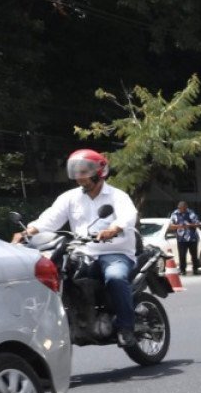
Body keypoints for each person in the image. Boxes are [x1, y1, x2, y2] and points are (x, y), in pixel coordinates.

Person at [15, 148, 139, 346]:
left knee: (115, 277)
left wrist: (114, 228)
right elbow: (50, 219)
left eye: (85, 171)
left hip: (114, 251)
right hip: (82, 252)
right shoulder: (70, 198)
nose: (80, 176)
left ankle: (126, 327)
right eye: (77, 171)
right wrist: (27, 232)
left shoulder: (117, 196)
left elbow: (128, 215)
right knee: (56, 276)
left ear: (100, 172)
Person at [167, 200, 201, 275]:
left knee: (194, 254)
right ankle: (182, 270)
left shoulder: (191, 213)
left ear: (186, 207)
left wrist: (189, 225)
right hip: (181, 238)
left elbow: (198, 224)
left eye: (183, 208)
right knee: (182, 254)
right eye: (180, 208)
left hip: (192, 238)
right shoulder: (175, 214)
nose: (181, 210)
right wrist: (179, 226)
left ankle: (195, 269)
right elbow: (170, 226)